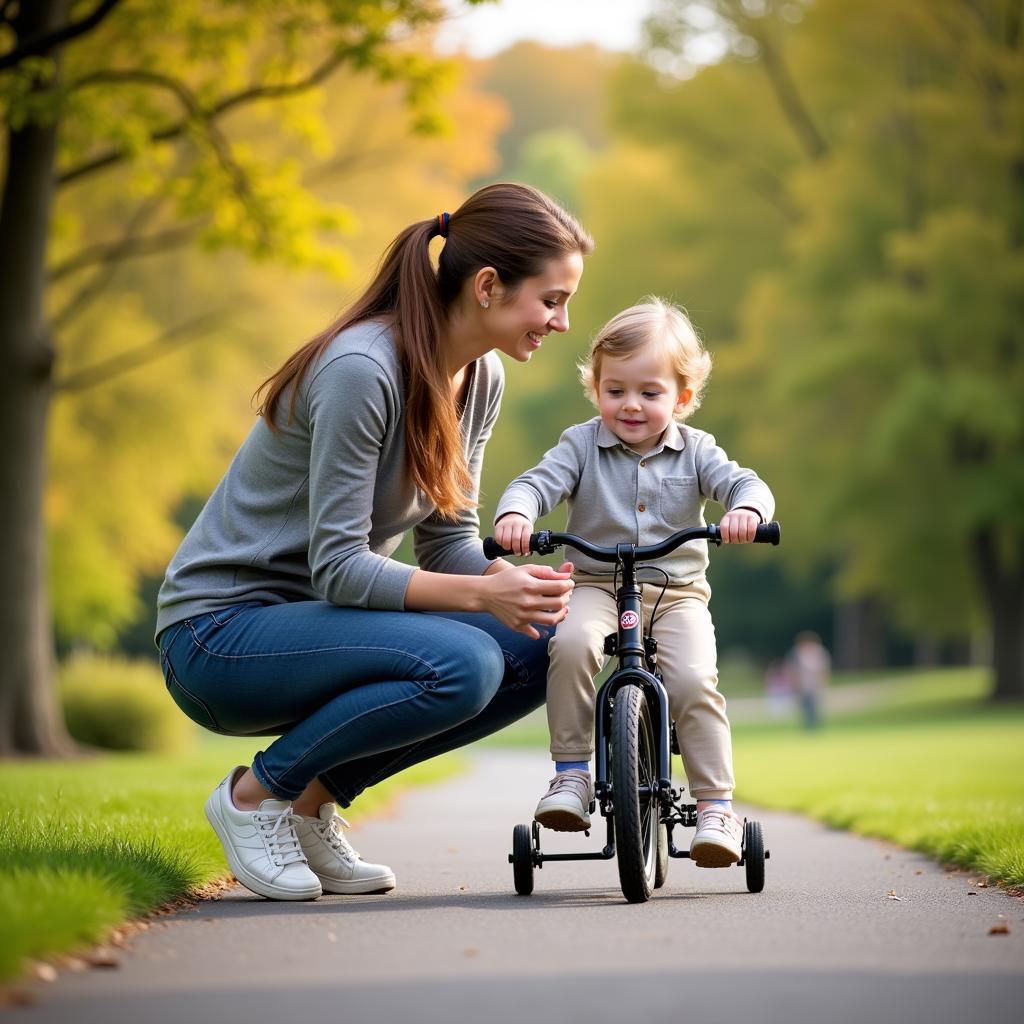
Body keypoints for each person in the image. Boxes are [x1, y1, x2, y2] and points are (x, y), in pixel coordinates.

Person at [156, 183, 593, 901]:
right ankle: (251, 798)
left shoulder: (476, 378)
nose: (562, 321)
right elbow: (338, 569)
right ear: (488, 286)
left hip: (323, 631)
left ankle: (308, 805)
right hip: (217, 638)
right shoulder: (363, 369)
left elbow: (447, 543)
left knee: (542, 646)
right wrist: (484, 595)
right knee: (464, 662)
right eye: (551, 299)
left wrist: (525, 590)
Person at [494, 298, 774, 867]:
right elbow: (536, 482)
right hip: (595, 585)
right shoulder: (579, 444)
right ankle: (571, 775)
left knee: (695, 680)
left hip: (677, 596)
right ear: (595, 388)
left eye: (650, 392)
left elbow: (742, 482)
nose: (631, 405)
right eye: (616, 389)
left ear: (683, 398)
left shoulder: (697, 450)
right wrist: (517, 516)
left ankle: (716, 807)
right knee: (568, 646)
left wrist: (746, 509)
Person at [787, 631, 831, 729]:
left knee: (815, 706)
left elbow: (824, 669)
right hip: (802, 685)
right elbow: (791, 669)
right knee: (804, 707)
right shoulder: (796, 653)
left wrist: (822, 682)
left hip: (815, 685)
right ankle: (808, 726)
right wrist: (794, 684)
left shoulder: (819, 652)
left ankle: (815, 726)